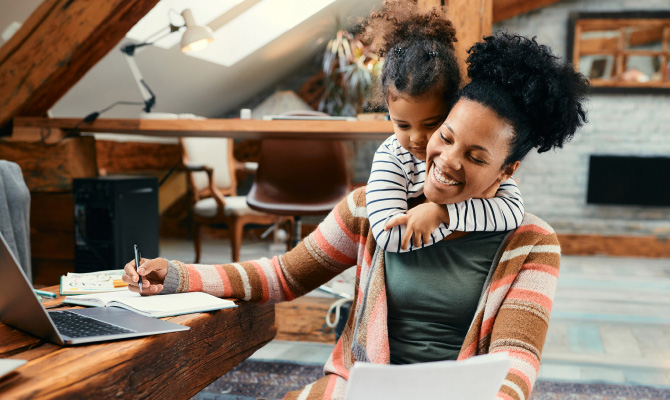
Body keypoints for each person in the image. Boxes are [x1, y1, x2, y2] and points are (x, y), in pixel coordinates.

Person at [122, 27, 588, 400]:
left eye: (477, 157)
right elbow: (282, 275)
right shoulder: (370, 210)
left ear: (508, 169)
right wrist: (181, 276)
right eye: (445, 136)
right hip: (357, 390)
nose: (446, 159)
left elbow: (515, 364)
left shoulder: (532, 242)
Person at [363, 4, 524, 252]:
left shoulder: (485, 168)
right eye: (402, 124)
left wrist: (441, 213)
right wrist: (462, 215)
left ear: (453, 109)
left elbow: (512, 212)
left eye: (431, 124)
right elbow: (390, 236)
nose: (417, 138)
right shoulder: (392, 157)